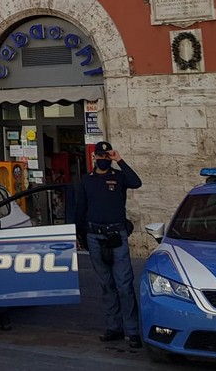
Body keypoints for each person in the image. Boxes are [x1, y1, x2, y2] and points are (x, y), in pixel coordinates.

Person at [75, 141, 143, 348]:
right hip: (95, 236)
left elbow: (137, 182)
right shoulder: (87, 180)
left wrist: (120, 160)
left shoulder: (119, 177)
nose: (104, 160)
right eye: (101, 157)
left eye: (107, 157)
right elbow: (81, 209)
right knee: (106, 285)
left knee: (124, 284)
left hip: (116, 235)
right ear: (94, 157)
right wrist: (81, 236)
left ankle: (132, 332)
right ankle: (114, 327)